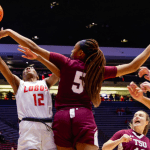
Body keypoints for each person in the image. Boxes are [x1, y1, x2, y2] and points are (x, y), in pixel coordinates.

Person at [1, 28, 150, 150]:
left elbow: (34, 46)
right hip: (83, 117)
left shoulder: (67, 63)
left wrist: (9, 32)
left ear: (80, 53)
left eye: (74, 48)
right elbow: (133, 66)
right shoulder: (98, 70)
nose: (72, 51)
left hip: (62, 117)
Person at [0, 52, 60, 149]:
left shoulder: (45, 82)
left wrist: (39, 57)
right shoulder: (19, 84)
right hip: (28, 126)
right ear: (22, 76)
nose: (27, 69)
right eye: (25, 70)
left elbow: (58, 71)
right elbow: (3, 68)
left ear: (37, 76)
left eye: (31, 68)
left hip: (47, 126)